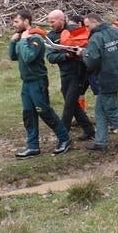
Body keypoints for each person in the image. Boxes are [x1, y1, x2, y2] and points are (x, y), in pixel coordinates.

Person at [8, 9, 71, 158]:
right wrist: (13, 42)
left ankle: (64, 138)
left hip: (38, 81)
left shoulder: (35, 38)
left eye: (16, 21)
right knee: (28, 114)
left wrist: (23, 40)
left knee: (44, 111)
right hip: (26, 83)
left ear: (26, 21)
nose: (14, 24)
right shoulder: (21, 38)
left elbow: (29, 57)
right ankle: (32, 146)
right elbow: (13, 56)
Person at [76, 13, 118, 152]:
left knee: (113, 111)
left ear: (95, 23)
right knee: (100, 110)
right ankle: (100, 142)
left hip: (106, 79)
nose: (87, 29)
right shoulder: (117, 31)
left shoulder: (95, 38)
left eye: (87, 26)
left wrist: (83, 53)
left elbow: (92, 61)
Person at [46, 10, 95, 141]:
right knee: (73, 104)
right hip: (65, 73)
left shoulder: (76, 30)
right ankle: (89, 131)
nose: (50, 24)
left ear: (61, 20)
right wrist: (65, 56)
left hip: (79, 71)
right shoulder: (50, 36)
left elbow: (89, 43)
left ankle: (63, 133)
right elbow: (50, 57)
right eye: (49, 21)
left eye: (52, 21)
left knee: (69, 104)